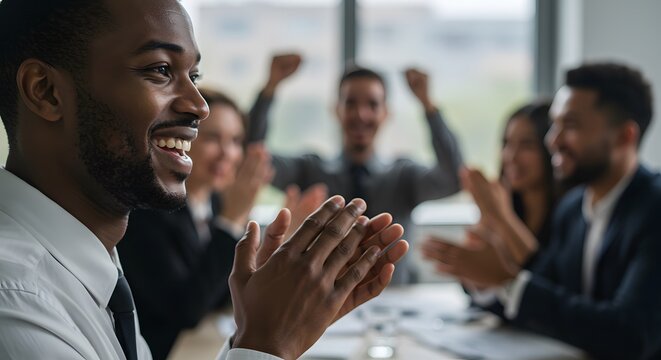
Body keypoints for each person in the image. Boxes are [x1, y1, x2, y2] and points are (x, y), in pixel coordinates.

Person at [0, 1, 409, 360]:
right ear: (46, 91)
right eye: (160, 69)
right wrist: (266, 345)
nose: (199, 106)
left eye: (193, 75)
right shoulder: (16, 301)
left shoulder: (89, 262)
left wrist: (254, 331)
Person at [423, 63, 661, 359]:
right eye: (554, 125)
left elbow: (631, 335)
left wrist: (508, 282)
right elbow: (552, 297)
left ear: (625, 137)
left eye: (570, 126)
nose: (553, 140)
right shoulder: (574, 208)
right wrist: (487, 279)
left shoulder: (653, 208)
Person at [248, 57, 464, 283]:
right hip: (322, 308)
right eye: (351, 103)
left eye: (372, 104)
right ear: (336, 110)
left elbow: (452, 179)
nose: (361, 114)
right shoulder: (309, 171)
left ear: (386, 113)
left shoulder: (403, 177)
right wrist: (269, 89)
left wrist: (428, 105)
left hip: (392, 304)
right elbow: (254, 160)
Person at [117, 88, 275, 359]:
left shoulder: (212, 202)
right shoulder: (147, 212)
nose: (228, 153)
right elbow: (186, 309)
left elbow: (221, 292)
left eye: (236, 140)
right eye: (214, 138)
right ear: (183, 140)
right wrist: (229, 222)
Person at [423, 101, 557, 276]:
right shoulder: (507, 204)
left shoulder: (570, 216)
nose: (511, 156)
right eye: (507, 143)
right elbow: (483, 289)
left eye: (527, 145)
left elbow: (548, 283)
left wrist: (501, 216)